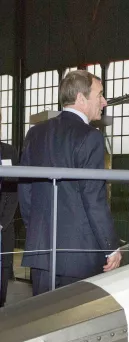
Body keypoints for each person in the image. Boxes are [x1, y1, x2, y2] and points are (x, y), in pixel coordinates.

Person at [18, 70, 121, 296]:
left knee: (42, 320)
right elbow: (93, 198)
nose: (104, 102)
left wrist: (35, 228)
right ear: (82, 99)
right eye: (100, 94)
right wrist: (110, 245)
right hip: (80, 255)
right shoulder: (90, 136)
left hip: (42, 251)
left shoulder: (35, 133)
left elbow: (25, 190)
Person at [0, 109, 19, 306]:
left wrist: (2, 223)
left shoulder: (9, 152)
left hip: (4, 226)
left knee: (3, 268)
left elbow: (13, 191)